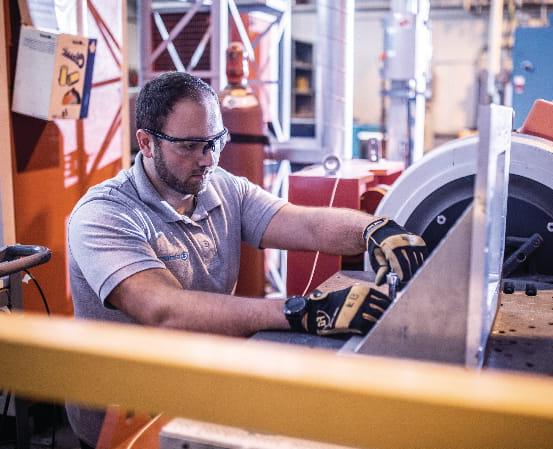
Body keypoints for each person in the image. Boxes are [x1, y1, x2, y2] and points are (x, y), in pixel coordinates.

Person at [65, 71, 427, 448]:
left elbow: (304, 225)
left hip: (199, 393)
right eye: (189, 145)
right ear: (147, 143)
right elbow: (163, 310)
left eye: (215, 141)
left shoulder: (220, 186)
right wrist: (298, 311)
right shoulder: (104, 214)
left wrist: (375, 230)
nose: (207, 158)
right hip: (126, 423)